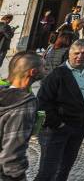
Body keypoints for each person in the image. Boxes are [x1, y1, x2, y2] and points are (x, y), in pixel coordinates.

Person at [35, 39, 84, 180]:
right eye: (76, 53)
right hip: (56, 129)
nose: (80, 56)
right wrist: (58, 124)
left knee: (65, 167)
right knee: (48, 172)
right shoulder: (57, 74)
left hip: (79, 126)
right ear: (69, 53)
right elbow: (42, 104)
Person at [0, 52, 44, 181]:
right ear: (33, 72)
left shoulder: (3, 91)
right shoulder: (24, 104)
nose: (45, 70)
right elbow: (12, 154)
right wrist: (18, 176)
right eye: (43, 67)